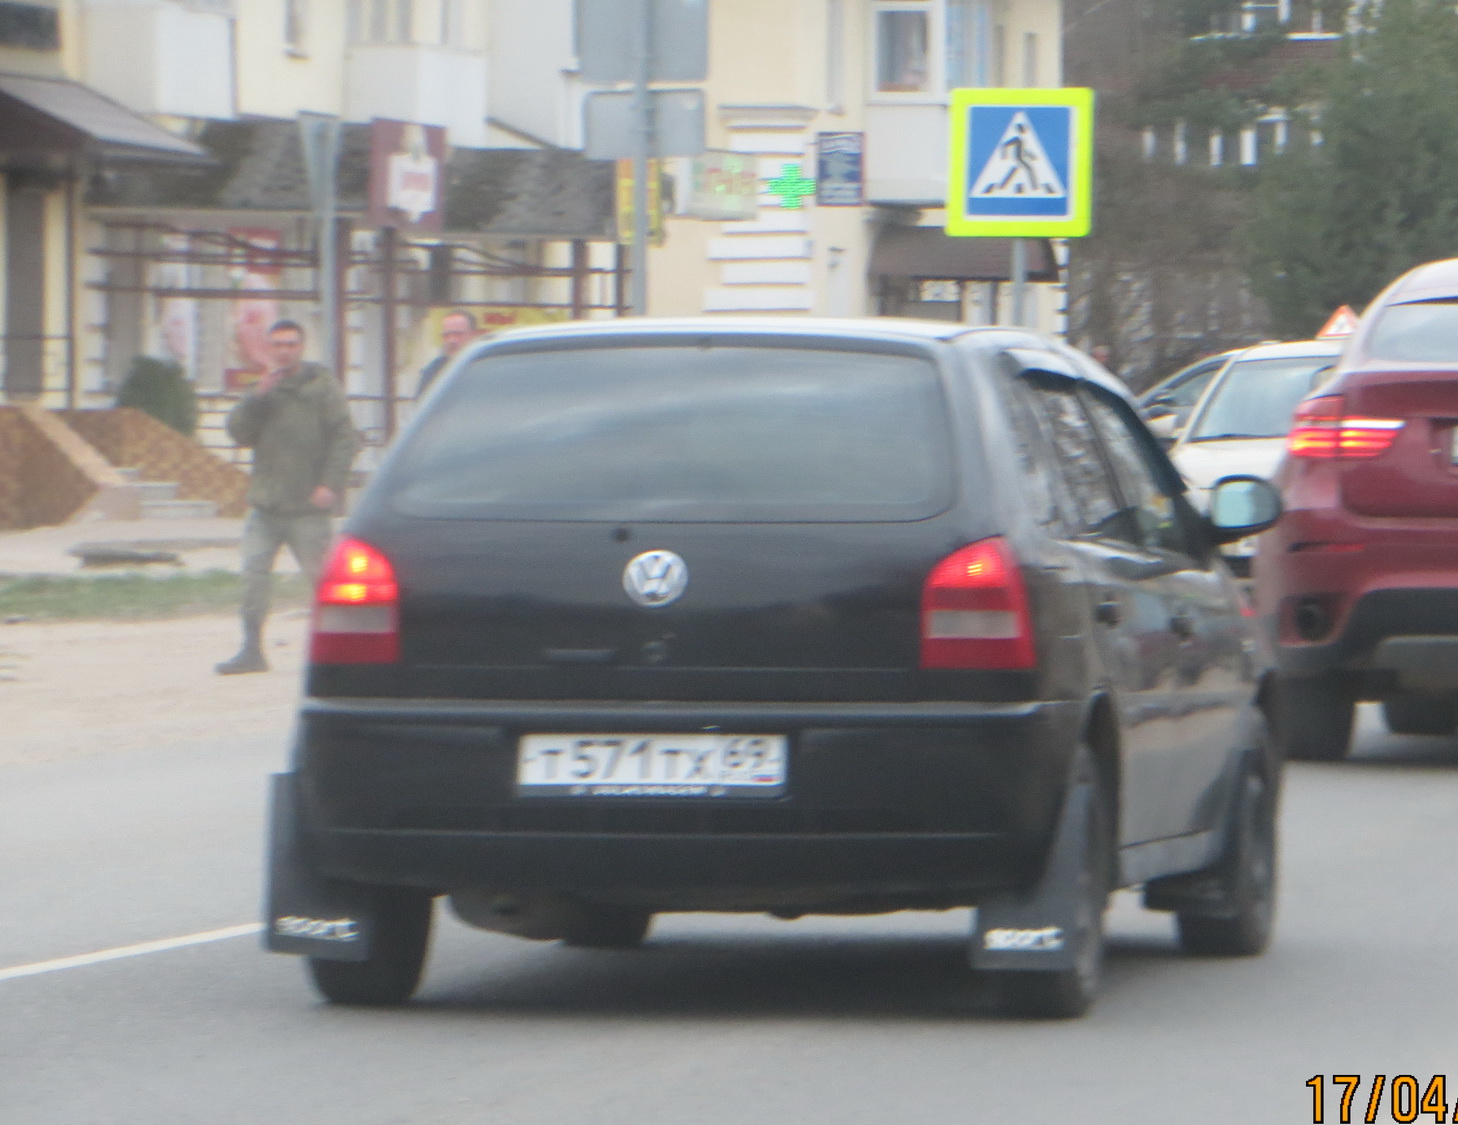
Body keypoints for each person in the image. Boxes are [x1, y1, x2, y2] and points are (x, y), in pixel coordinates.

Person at [216, 319, 360, 675]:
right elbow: (238, 433)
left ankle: (346, 652)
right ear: (268, 349)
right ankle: (251, 650)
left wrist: (331, 483)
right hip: (266, 507)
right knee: (253, 577)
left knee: (324, 583)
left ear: (302, 347)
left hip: (308, 508)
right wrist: (256, 399)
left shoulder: (322, 387)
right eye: (278, 344)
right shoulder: (262, 392)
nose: (284, 350)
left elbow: (345, 438)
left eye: (291, 344)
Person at [416, 309, 478, 396]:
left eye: (458, 334)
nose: (451, 340)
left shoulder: (485, 368)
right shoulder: (432, 372)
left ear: (473, 335)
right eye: (446, 335)